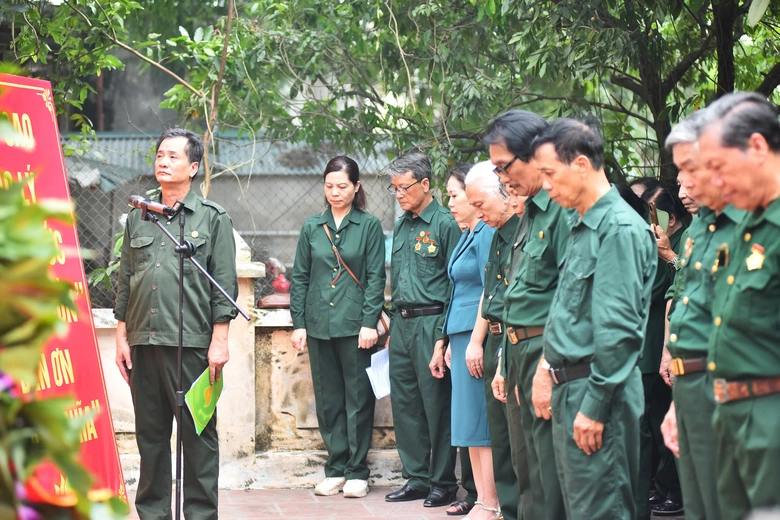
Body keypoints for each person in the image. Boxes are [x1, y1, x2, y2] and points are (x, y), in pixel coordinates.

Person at [531, 118, 656, 519]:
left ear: (581, 165)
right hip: (572, 387)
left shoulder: (618, 229)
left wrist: (596, 406)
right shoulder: (581, 224)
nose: (545, 185)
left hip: (599, 391)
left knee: (602, 509)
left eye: (550, 174)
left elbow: (619, 331)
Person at [114, 128, 239, 520]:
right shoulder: (139, 216)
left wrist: (220, 340)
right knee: (150, 439)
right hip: (143, 343)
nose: (163, 162)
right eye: (159, 155)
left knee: (198, 437)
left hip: (193, 346)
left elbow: (225, 284)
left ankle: (200, 515)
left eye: (172, 156)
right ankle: (153, 514)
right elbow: (125, 279)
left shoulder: (212, 219)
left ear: (194, 166)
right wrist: (121, 337)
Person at [658, 110, 746, 520]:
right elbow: (688, 310)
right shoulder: (699, 233)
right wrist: (680, 401)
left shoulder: (755, 224)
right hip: (692, 386)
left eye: (689, 169)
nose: (683, 184)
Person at [696, 92, 780, 519]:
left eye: (719, 167)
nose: (717, 183)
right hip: (732, 420)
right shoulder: (747, 225)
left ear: (759, 148)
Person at [485, 109, 569, 520]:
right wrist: (505, 358)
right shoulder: (530, 213)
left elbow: (570, 297)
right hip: (518, 350)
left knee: (550, 473)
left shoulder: (562, 211)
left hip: (546, 352)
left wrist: (547, 366)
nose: (503, 180)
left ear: (535, 154)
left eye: (505, 167)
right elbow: (516, 294)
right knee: (527, 469)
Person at [289, 156, 386, 499]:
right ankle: (336, 468)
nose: (334, 192)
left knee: (358, 399)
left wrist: (368, 322)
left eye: (342, 186)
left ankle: (358, 471)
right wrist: (298, 323)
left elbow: (376, 278)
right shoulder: (312, 227)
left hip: (355, 325)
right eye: (329, 185)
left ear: (356, 186)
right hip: (318, 325)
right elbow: (299, 277)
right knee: (329, 400)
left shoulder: (369, 225)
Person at [384, 152, 462, 507]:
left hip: (432, 323)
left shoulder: (445, 223)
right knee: (405, 404)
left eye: (404, 187)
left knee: (436, 405)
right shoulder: (402, 224)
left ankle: (443, 481)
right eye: (394, 188)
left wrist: (443, 336)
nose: (398, 194)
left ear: (426, 184)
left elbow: (454, 283)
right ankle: (415, 477)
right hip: (401, 323)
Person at [431, 161, 499, 519]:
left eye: (455, 195)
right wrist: (446, 341)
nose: (451, 202)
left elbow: (491, 288)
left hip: (477, 334)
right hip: (460, 334)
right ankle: (484, 500)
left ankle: (491, 501)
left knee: (480, 423)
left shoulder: (486, 231)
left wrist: (475, 340)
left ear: (476, 197)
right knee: (468, 423)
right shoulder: (467, 234)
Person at [464, 162, 522, 520]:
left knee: (520, 441)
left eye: (482, 204)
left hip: (516, 338)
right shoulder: (497, 232)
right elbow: (491, 292)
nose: (478, 213)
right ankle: (507, 509)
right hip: (495, 339)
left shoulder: (523, 229)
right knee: (500, 439)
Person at [636, 186, 687, 518]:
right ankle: (661, 487)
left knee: (661, 421)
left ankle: (673, 489)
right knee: (654, 423)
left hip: (661, 342)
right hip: (647, 342)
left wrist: (666, 255)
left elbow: (656, 290)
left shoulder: (679, 243)